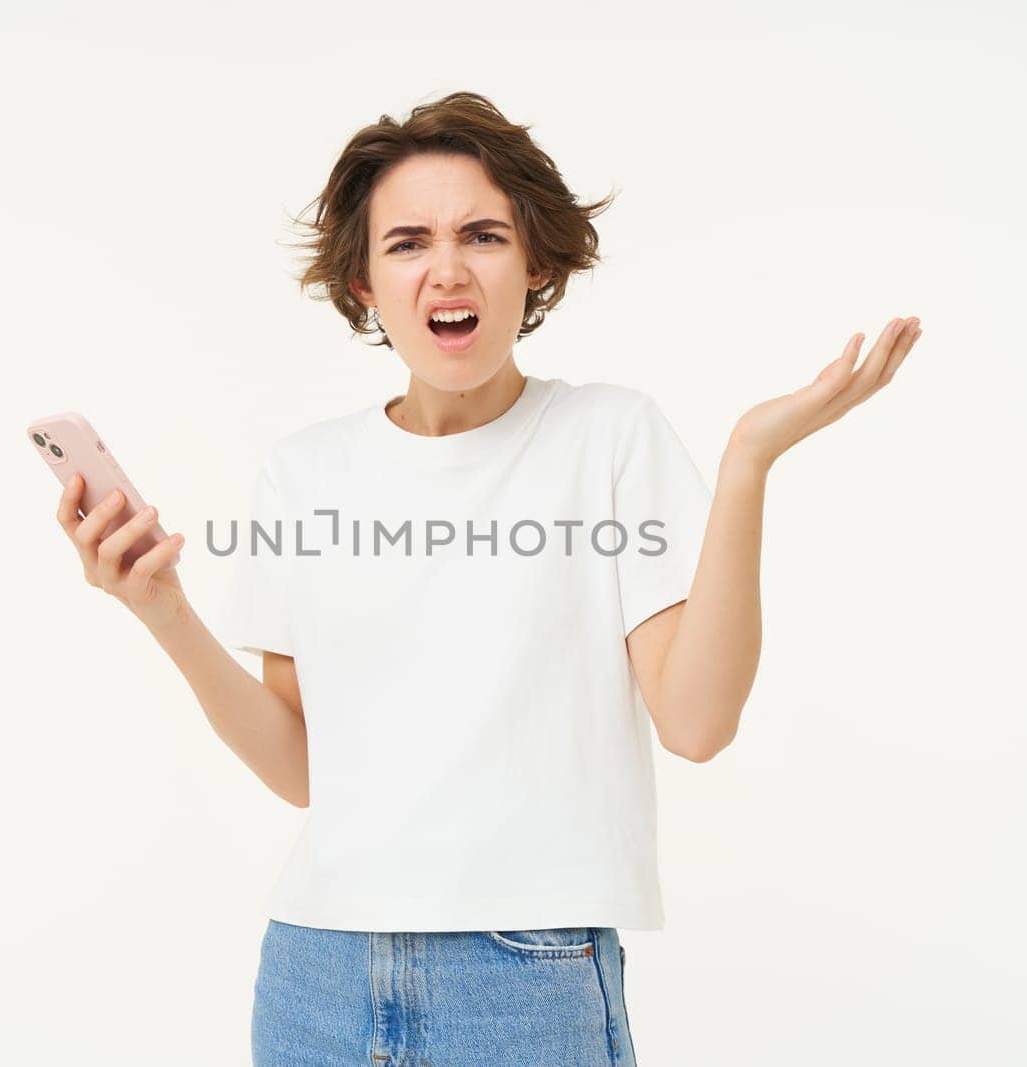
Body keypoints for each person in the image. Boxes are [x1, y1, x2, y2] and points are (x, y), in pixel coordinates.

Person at [54, 91, 922, 1066]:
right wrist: (163, 612)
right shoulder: (303, 473)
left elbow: (696, 721)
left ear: (535, 263)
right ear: (361, 284)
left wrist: (748, 463)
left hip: (526, 977)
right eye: (407, 243)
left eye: (482, 234)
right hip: (315, 973)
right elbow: (303, 767)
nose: (447, 269)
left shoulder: (608, 437)